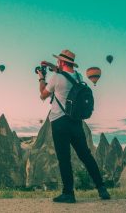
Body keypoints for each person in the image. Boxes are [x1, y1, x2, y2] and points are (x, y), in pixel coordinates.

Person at [38, 49, 110, 203]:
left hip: (59, 122)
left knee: (64, 158)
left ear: (62, 62)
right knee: (86, 155)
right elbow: (65, 73)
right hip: (76, 122)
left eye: (58, 61)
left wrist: (41, 78)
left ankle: (68, 193)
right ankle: (102, 188)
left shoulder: (56, 78)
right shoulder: (78, 77)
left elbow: (43, 95)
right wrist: (51, 65)